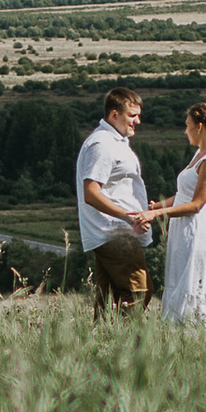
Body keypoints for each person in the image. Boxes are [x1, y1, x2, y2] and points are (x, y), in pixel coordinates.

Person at [73, 83, 156, 315]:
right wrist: (129, 218)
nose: (137, 121)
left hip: (114, 230)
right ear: (114, 114)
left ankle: (102, 344)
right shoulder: (102, 144)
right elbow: (91, 192)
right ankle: (124, 346)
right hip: (114, 231)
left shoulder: (114, 142)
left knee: (110, 297)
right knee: (139, 291)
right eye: (132, 116)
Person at [158, 103, 206, 333]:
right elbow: (184, 195)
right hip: (184, 229)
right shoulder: (199, 153)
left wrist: (158, 213)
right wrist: (159, 205)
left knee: (193, 286)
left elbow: (196, 204)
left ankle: (196, 336)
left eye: (188, 126)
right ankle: (180, 335)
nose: (186, 131)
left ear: (200, 127)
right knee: (180, 283)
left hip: (198, 231)